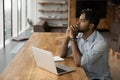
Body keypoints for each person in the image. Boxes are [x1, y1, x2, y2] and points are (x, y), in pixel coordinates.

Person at [60, 8, 111, 80]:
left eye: (82, 21)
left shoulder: (101, 44)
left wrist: (73, 39)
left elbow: (79, 62)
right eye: (79, 20)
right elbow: (62, 55)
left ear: (91, 26)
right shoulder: (80, 36)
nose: (77, 23)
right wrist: (67, 37)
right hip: (83, 72)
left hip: (97, 78)